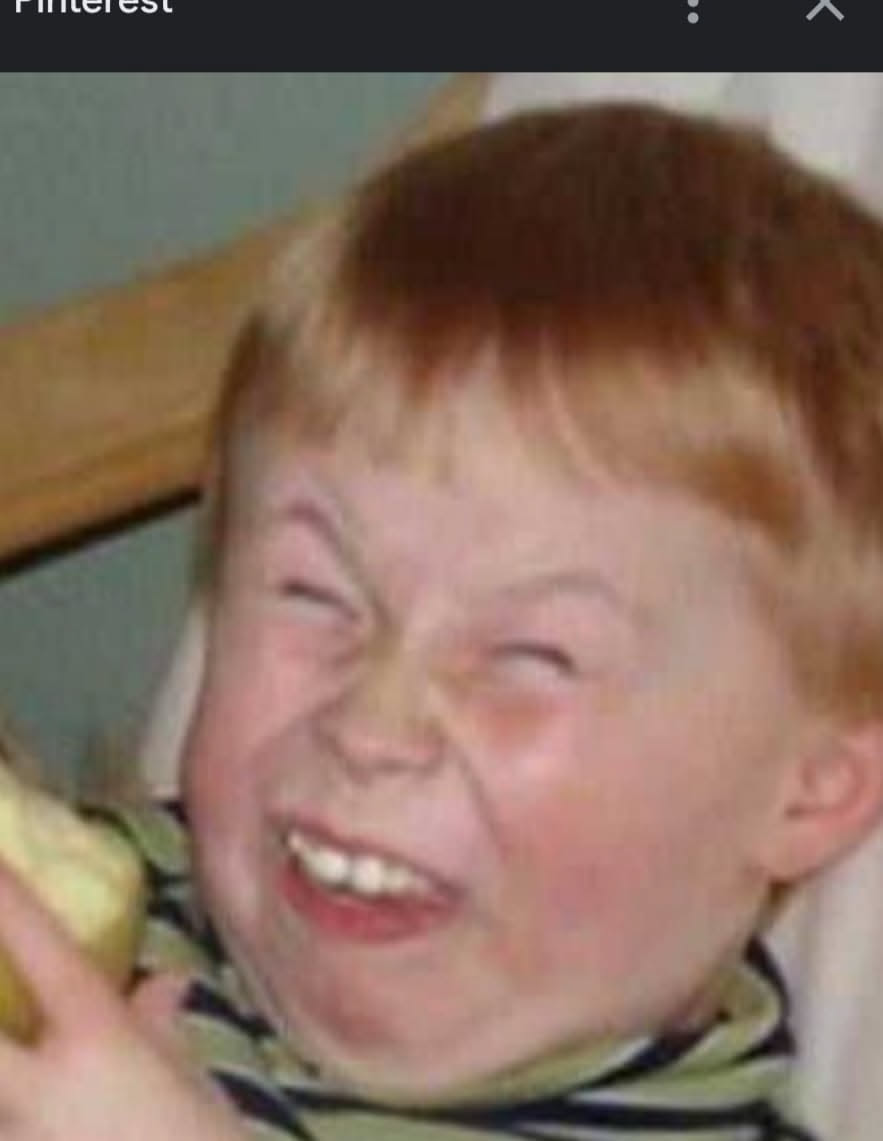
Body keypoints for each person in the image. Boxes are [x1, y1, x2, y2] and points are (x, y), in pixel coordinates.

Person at [3, 100, 883, 1140]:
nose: (371, 727)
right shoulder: (121, 909)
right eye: (313, 594)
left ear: (811, 788)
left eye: (530, 655)